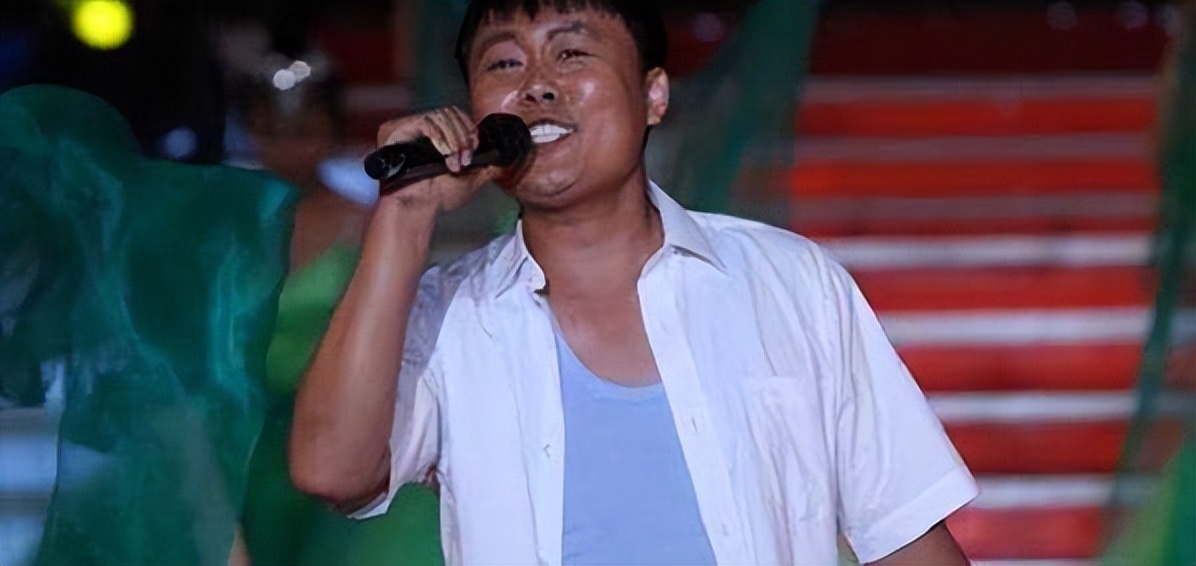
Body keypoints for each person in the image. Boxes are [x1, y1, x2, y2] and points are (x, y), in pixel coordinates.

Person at [290, 1, 978, 564]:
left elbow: (905, 537)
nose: (536, 85)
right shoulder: (450, 315)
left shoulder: (789, 281)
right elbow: (330, 470)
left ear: (653, 95)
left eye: (572, 53)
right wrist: (406, 215)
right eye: (504, 63)